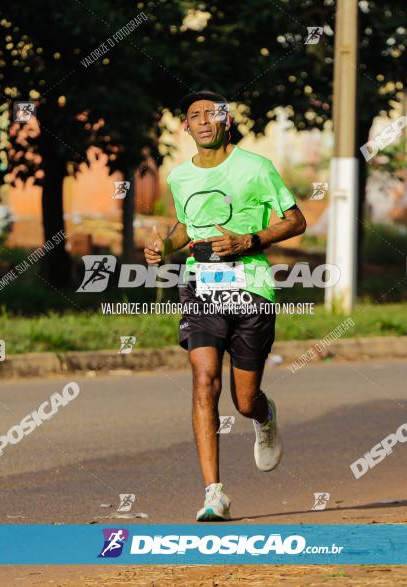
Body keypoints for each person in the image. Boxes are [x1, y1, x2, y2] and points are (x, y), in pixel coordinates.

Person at [144, 90, 307, 521]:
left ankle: (264, 415)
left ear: (225, 121)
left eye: (210, 115)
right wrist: (165, 244)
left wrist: (247, 240)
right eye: (193, 115)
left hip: (252, 288)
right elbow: (185, 226)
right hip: (200, 286)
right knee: (203, 380)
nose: (201, 121)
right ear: (186, 127)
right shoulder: (179, 177)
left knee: (244, 399)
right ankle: (214, 493)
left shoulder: (256, 168)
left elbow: (295, 220)